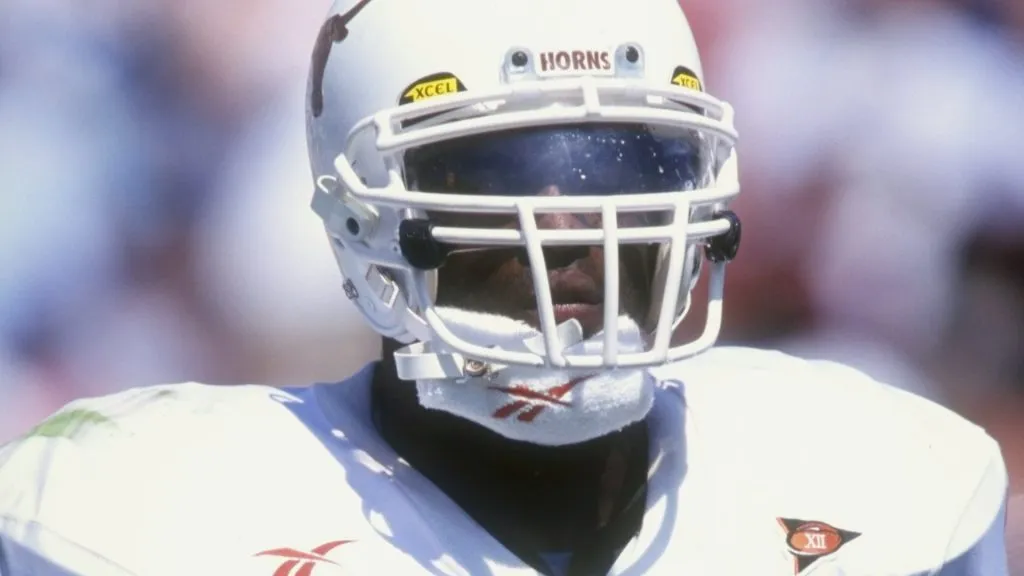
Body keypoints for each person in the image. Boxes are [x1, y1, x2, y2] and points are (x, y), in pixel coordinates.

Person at [0, 0, 1009, 574]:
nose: (574, 227)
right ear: (364, 216)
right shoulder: (141, 515)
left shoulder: (883, 480)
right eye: (499, 173)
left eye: (629, 163)